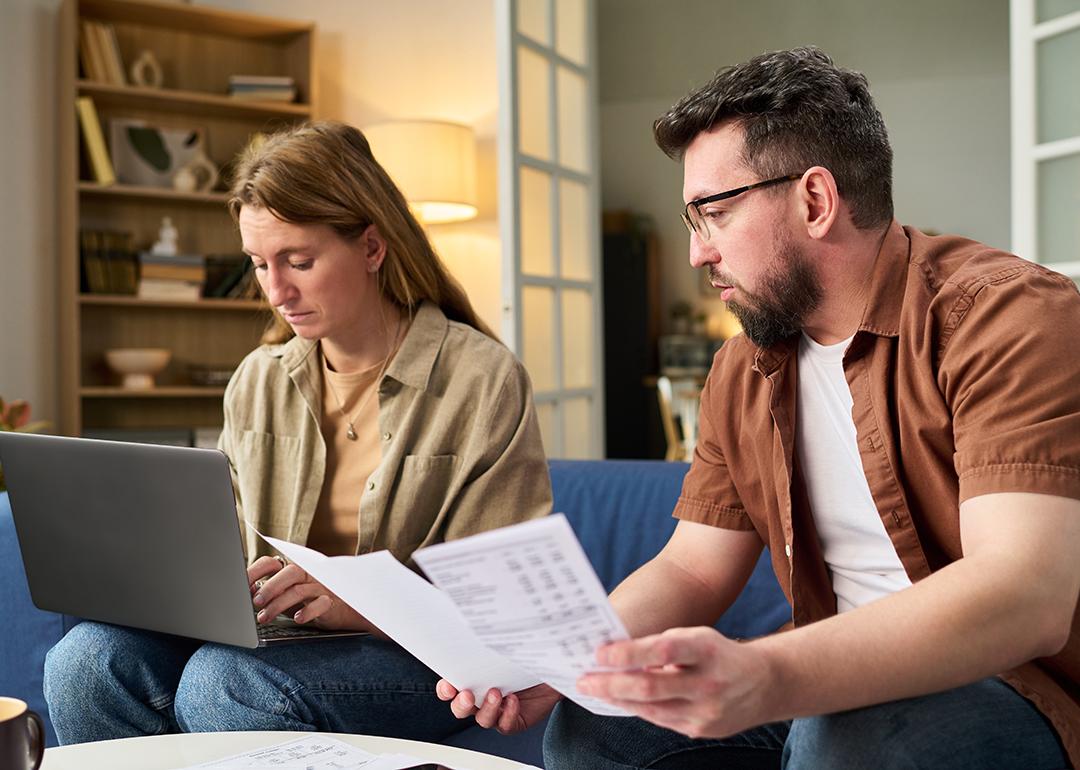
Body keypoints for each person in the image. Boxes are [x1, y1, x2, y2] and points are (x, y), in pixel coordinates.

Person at [438, 47, 1080, 769]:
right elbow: (692, 571)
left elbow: (1025, 592)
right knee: (597, 728)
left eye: (712, 214)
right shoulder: (743, 367)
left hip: (1013, 694)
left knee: (842, 736)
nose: (695, 254)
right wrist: (563, 666)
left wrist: (770, 674)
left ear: (814, 200)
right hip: (826, 691)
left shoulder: (1004, 316)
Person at [44, 121, 552, 744]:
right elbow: (221, 553)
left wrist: (354, 604)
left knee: (224, 682)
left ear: (371, 247)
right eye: (259, 264)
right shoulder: (258, 380)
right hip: (268, 643)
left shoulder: (482, 379)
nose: (277, 291)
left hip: (414, 660)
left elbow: (505, 602)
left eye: (300, 262)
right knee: (84, 663)